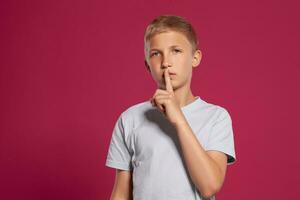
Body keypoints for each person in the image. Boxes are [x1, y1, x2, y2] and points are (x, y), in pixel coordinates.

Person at [105, 15, 237, 200]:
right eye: (156, 53)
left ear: (195, 58)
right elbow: (121, 193)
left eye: (176, 50)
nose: (166, 62)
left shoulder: (216, 117)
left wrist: (178, 119)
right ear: (147, 66)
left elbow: (209, 186)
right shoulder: (130, 119)